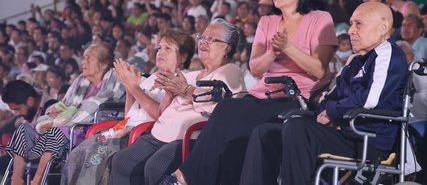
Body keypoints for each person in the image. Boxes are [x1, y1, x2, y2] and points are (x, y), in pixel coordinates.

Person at [163, 0, 338, 185]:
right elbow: (256, 68)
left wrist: (288, 48)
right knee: (228, 110)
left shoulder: (320, 19)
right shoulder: (268, 22)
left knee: (237, 121)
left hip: (296, 98)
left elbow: (319, 69)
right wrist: (273, 52)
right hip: (261, 96)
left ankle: (184, 177)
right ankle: (188, 177)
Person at [239, 2, 407, 185]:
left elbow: (370, 99)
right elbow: (331, 96)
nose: (350, 30)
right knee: (265, 133)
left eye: (358, 24)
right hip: (343, 131)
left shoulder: (387, 53)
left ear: (383, 28)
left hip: (367, 140)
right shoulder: (355, 60)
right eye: (351, 23)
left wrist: (333, 113)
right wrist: (326, 113)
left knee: (298, 128)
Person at [110, 19, 246, 185]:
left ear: (227, 48)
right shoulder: (190, 75)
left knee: (155, 167)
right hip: (158, 134)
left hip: (187, 139)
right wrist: (168, 94)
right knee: (122, 161)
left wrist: (186, 91)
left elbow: (227, 108)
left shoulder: (229, 71)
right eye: (202, 37)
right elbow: (163, 111)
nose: (203, 42)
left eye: (211, 39)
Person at [62, 29, 196, 185]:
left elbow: (162, 116)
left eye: (168, 48)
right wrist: (129, 88)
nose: (160, 52)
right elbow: (129, 116)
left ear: (184, 56)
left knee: (95, 156)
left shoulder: (181, 81)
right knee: (77, 154)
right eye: (159, 48)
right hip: (125, 129)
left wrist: (134, 88)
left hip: (144, 135)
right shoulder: (152, 77)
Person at [5, 44, 125, 185]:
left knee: (57, 132)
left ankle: (37, 180)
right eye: (83, 58)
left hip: (86, 128)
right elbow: (64, 104)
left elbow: (98, 107)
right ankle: (16, 179)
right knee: (24, 130)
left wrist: (64, 118)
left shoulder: (115, 79)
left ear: (104, 63)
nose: (83, 62)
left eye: (88, 58)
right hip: (63, 122)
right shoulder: (80, 80)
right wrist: (54, 112)